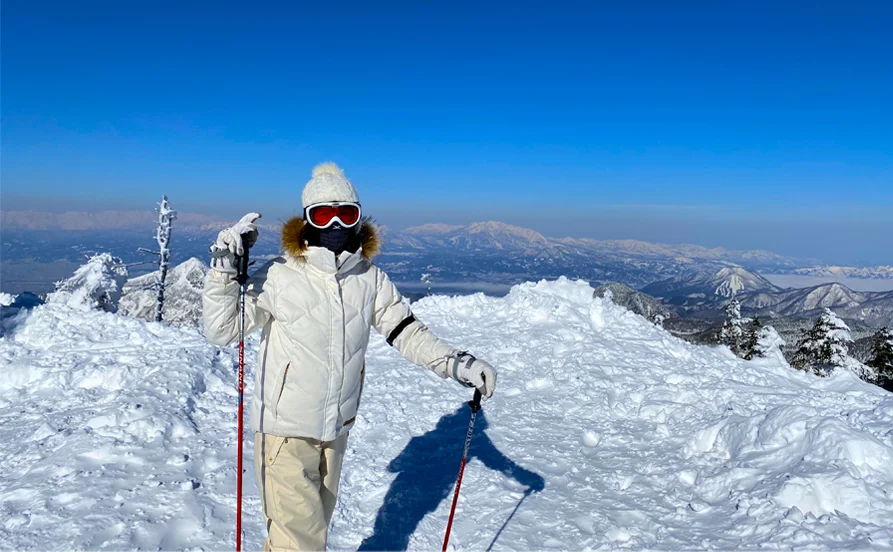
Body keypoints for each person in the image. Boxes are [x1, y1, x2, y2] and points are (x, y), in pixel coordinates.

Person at [202, 162, 498, 551]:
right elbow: (223, 330)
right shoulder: (280, 275)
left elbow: (407, 331)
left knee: (306, 536)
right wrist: (224, 274)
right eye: (324, 214)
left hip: (335, 430)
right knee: (300, 544)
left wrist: (456, 363)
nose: (336, 224)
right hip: (283, 433)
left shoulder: (368, 278)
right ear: (307, 221)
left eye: (347, 213)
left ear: (359, 218)